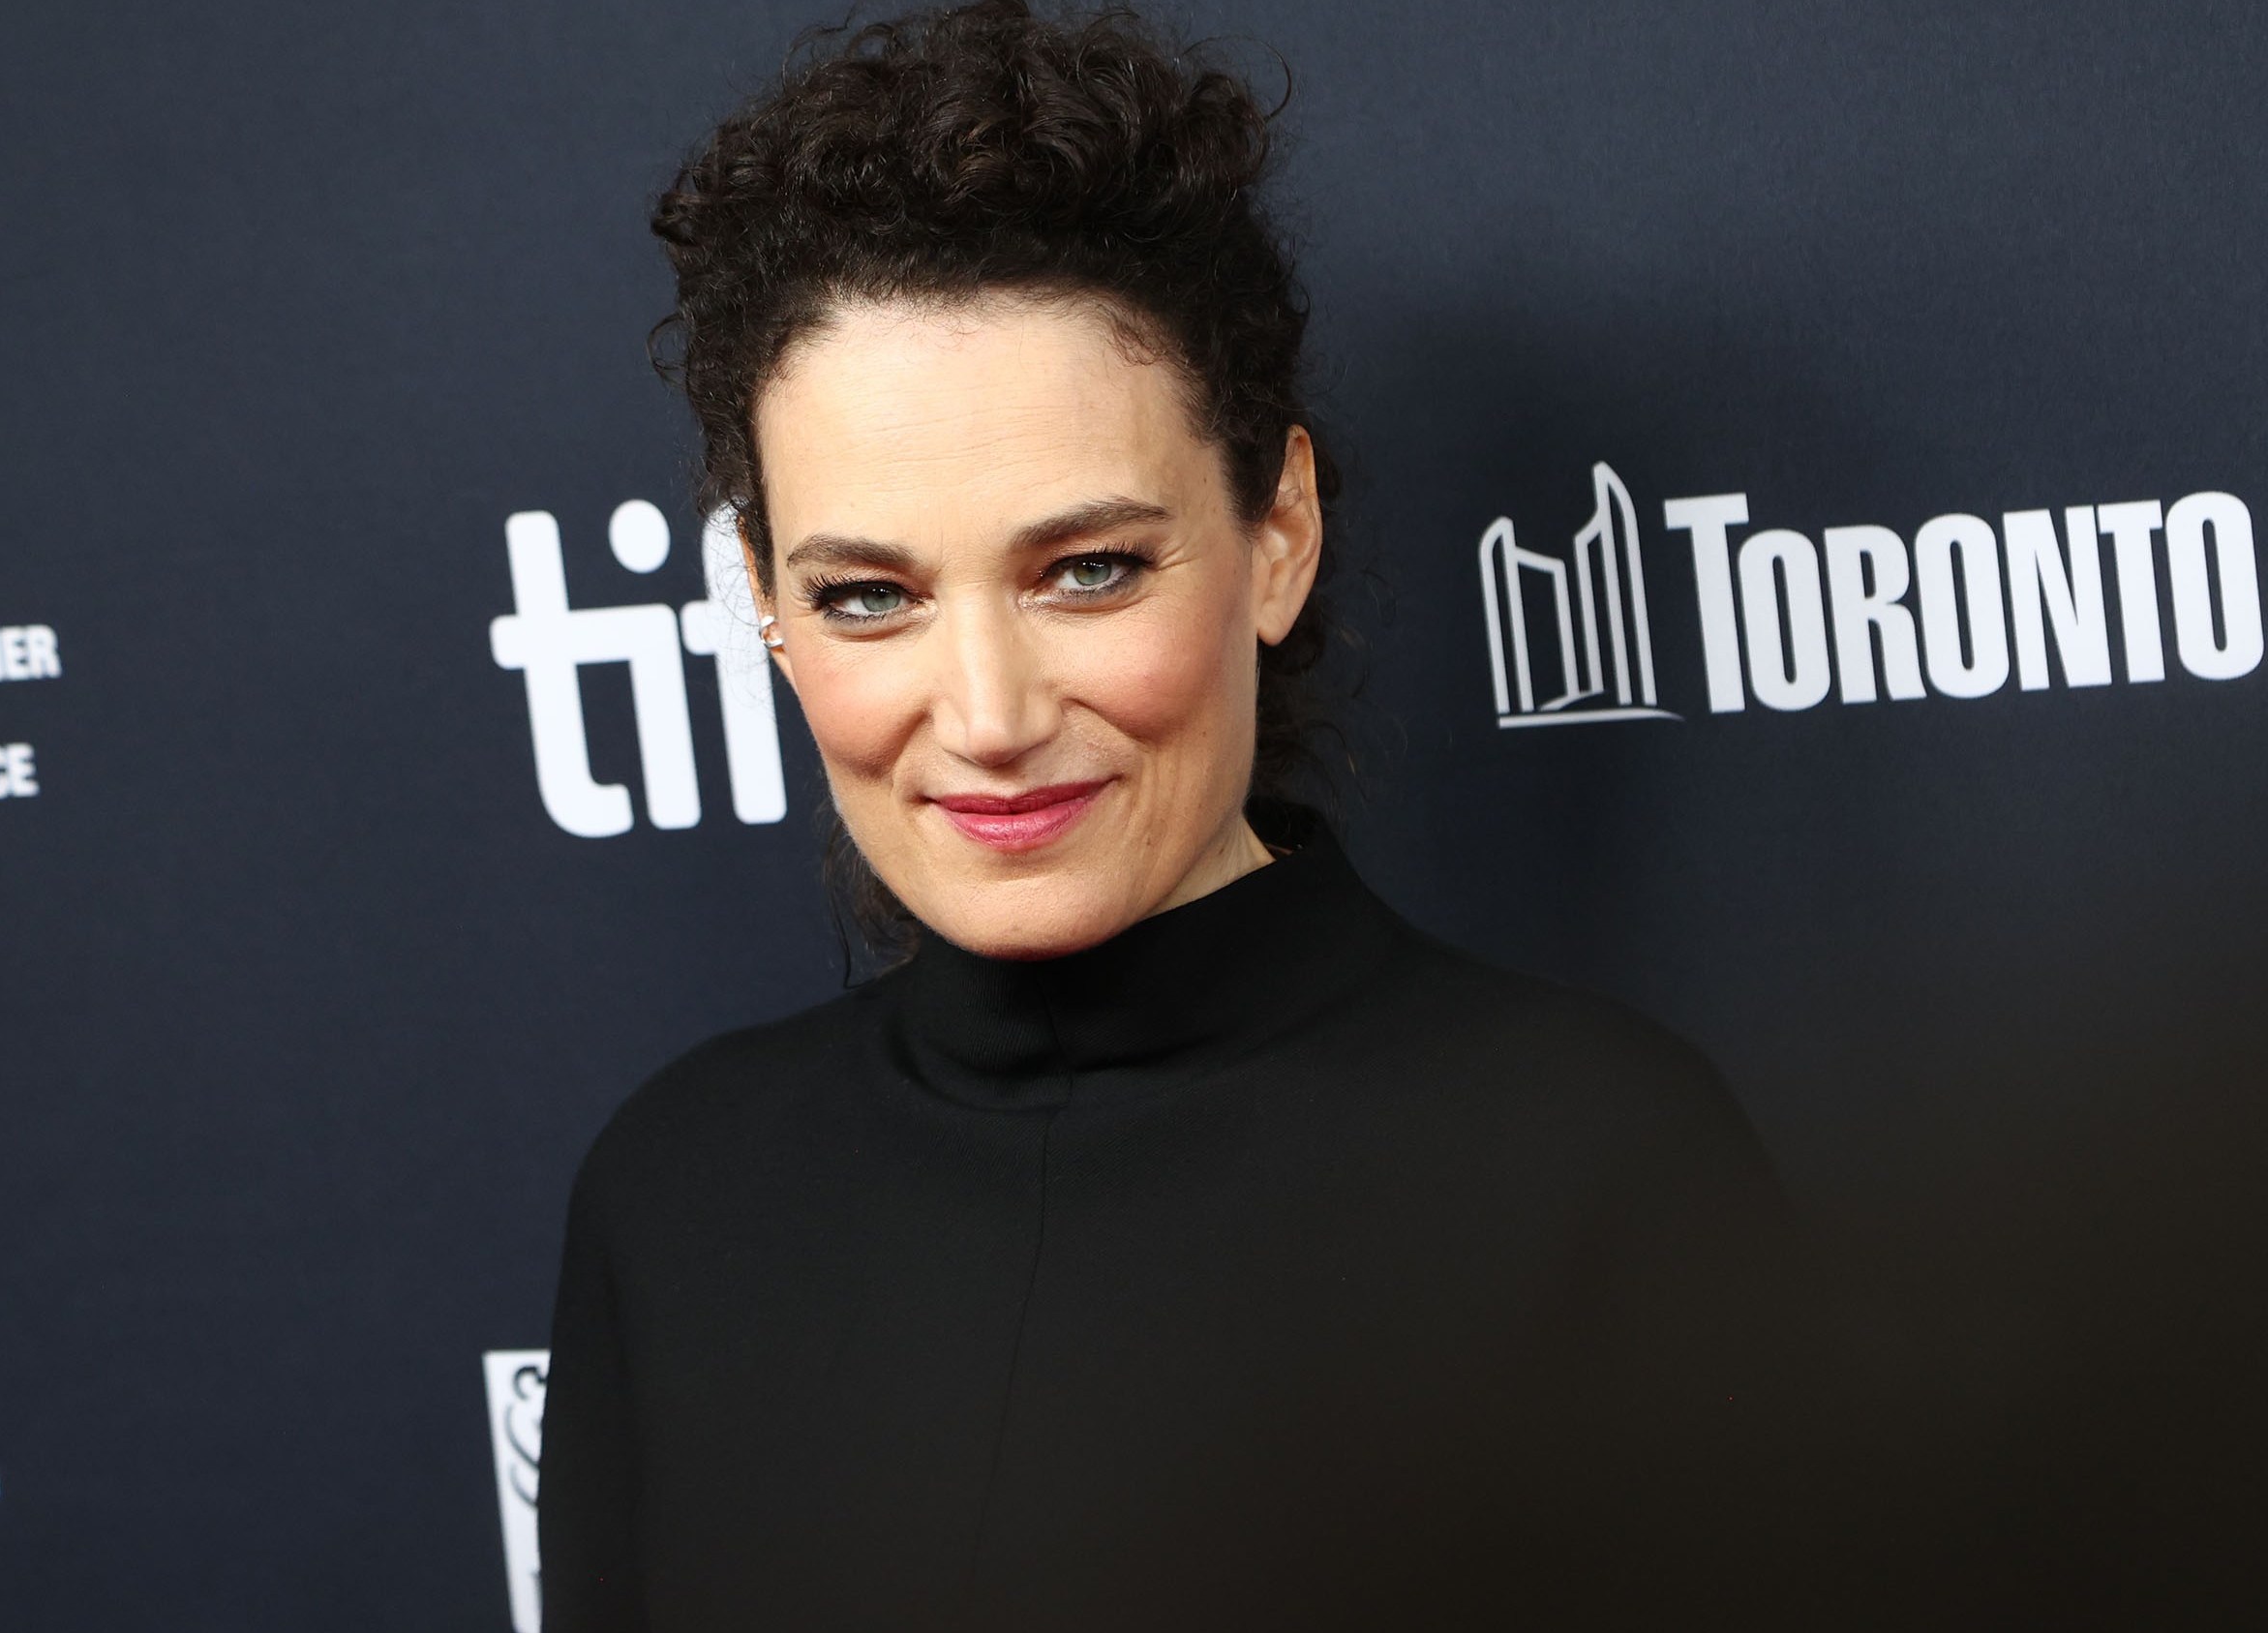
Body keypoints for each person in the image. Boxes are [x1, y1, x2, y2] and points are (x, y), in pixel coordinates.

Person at [539, 5, 1800, 1626]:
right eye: (869, 597)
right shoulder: (677, 1199)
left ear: (1278, 532)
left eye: (1087, 571)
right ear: (769, 611)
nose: (987, 717)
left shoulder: (1597, 1169)